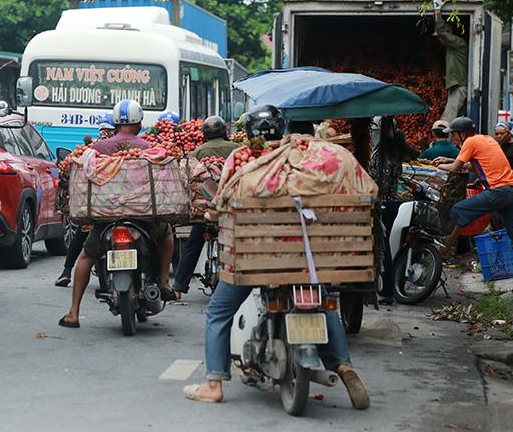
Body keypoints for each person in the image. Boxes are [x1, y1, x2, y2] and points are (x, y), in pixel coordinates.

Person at [182, 105, 370, 409]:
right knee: (322, 300)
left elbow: (222, 199)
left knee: (218, 312)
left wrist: (212, 212)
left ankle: (213, 384)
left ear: (252, 134)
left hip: (256, 259)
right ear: (281, 130)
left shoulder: (244, 163)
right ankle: (344, 366)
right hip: (307, 258)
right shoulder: (309, 160)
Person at [58, 100, 175, 328]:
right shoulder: (148, 148)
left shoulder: (99, 149)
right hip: (143, 217)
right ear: (139, 123)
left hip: (107, 217)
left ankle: (73, 313)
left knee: (85, 258)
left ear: (115, 123)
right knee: (167, 235)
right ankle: (164, 282)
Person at [171, 116, 241, 299]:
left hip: (205, 210)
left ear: (204, 135)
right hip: (230, 209)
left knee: (193, 243)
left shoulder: (197, 152)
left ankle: (178, 287)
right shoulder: (238, 150)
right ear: (225, 132)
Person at [55, 114, 116, 287]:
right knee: (82, 233)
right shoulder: (119, 149)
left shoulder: (90, 151)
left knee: (81, 236)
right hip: (118, 204)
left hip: (96, 205)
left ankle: (67, 271)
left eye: (106, 131)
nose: (105, 134)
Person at [435, 117, 513, 245]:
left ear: (462, 134)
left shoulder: (470, 142)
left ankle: (446, 244)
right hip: (509, 191)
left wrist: (436, 166)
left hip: (497, 192)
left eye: (454, 134)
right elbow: (471, 165)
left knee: (457, 209)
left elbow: (454, 169)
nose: (453, 138)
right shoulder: (486, 139)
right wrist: (447, 160)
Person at [369, 117, 418, 305]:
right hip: (392, 204)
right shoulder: (394, 151)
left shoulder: (380, 154)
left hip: (381, 204)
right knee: (385, 245)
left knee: (382, 248)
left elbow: (375, 182)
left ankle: (386, 289)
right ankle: (385, 287)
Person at [434, 9, 468, 122]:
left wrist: (437, 13)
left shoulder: (459, 43)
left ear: (450, 33)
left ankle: (444, 140)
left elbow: (441, 31)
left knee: (446, 121)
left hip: (459, 86)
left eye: (442, 37)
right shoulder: (450, 49)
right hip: (456, 86)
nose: (440, 40)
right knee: (457, 121)